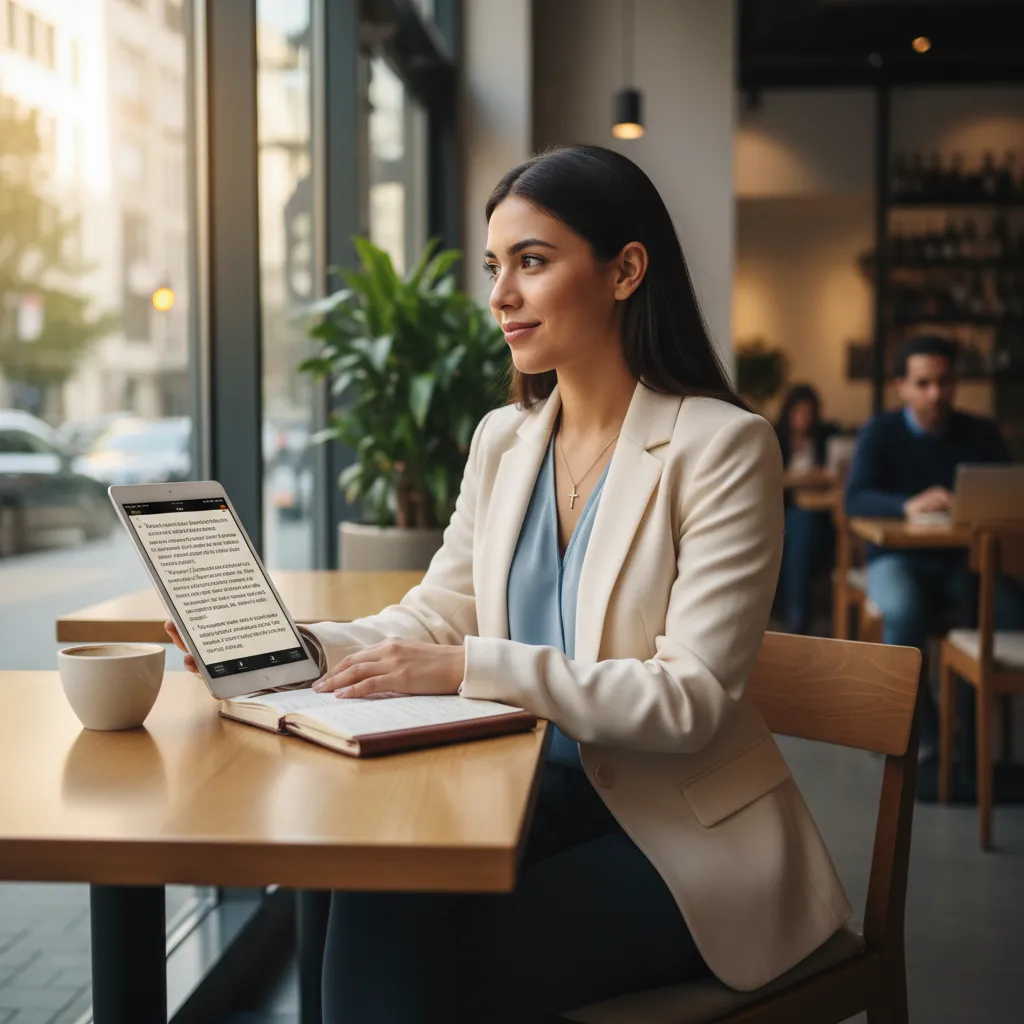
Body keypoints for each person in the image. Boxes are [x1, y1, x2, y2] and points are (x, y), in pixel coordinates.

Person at [168, 146, 850, 1023]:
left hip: (680, 840)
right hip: (530, 797)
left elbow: (690, 702)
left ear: (625, 271)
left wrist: (465, 668)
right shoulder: (504, 439)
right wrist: (295, 648)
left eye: (532, 261)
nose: (499, 296)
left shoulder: (722, 447)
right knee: (372, 883)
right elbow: (438, 612)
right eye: (496, 267)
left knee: (417, 962)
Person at [844, 334, 1022, 760]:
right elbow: (856, 499)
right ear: (901, 387)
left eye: (943, 382)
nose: (935, 394)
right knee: (905, 612)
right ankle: (914, 730)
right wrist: (908, 503)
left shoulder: (980, 434)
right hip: (896, 557)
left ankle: (966, 730)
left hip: (964, 561)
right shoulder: (880, 432)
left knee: (1009, 610)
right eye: (923, 384)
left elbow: (1008, 497)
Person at [774, 383, 839, 634]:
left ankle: (798, 618)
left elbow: (836, 473)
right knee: (799, 525)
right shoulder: (774, 436)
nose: (804, 419)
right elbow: (772, 478)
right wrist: (807, 478)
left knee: (803, 528)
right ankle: (797, 617)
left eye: (809, 413)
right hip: (785, 513)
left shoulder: (825, 436)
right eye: (799, 412)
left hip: (823, 514)